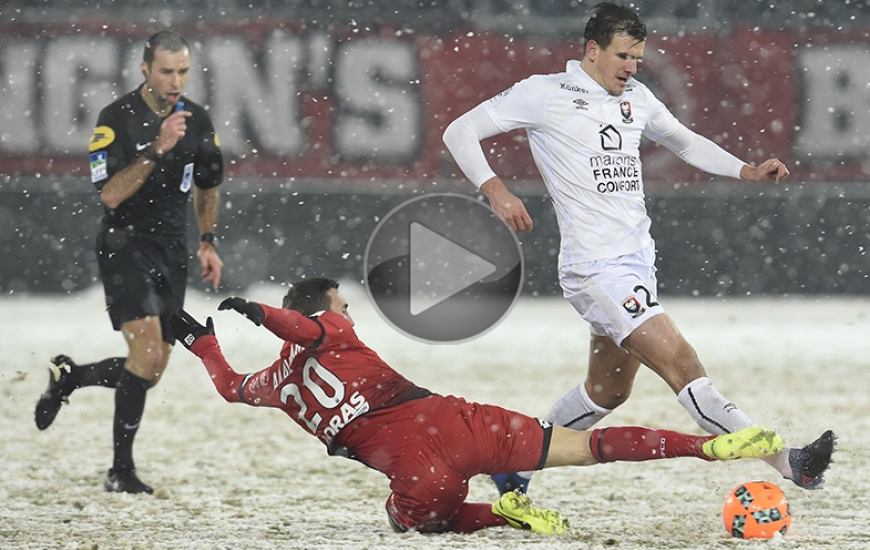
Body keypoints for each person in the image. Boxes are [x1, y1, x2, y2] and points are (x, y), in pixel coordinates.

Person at [441, 1, 835, 496]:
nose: (631, 68)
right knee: (684, 365)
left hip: (635, 264)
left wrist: (747, 170)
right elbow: (460, 130)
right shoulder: (545, 93)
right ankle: (788, 462)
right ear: (592, 50)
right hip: (597, 269)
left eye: (638, 59)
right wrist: (496, 189)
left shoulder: (639, 98)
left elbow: (686, 143)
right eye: (623, 56)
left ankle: (513, 468)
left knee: (606, 393)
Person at [169, 276, 784, 535]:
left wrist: (202, 343)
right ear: (323, 311)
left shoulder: (276, 384)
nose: (348, 314)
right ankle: (708, 445)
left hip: (418, 470)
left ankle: (502, 517)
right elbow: (304, 330)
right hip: (459, 419)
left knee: (409, 520)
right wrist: (259, 313)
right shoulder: (331, 328)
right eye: (342, 305)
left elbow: (231, 386)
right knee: (589, 446)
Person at [34, 30, 224, 494]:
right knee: (147, 353)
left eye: (182, 70)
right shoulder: (115, 118)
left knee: (153, 369)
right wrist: (156, 148)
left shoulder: (198, 120)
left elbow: (207, 184)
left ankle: (71, 378)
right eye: (166, 70)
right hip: (125, 244)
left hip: (171, 249)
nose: (176, 80)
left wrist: (206, 240)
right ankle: (120, 471)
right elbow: (111, 193)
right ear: (144, 69)